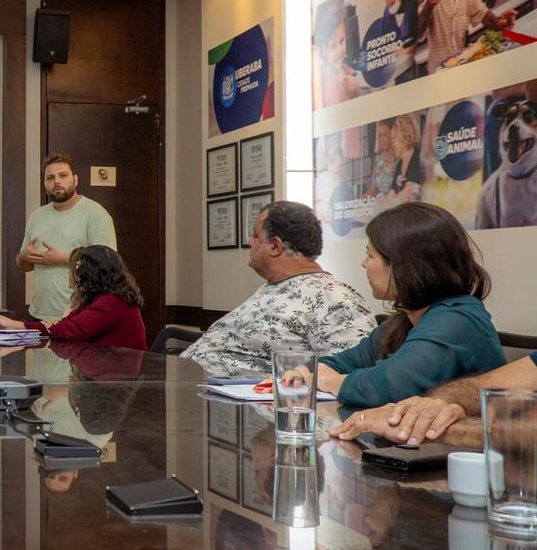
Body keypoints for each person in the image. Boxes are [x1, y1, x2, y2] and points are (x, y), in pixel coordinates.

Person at [316, 203, 504, 407]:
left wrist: (327, 380)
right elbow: (341, 363)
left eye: (370, 255)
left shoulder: (457, 319)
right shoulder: (406, 319)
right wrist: (317, 373)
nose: (364, 263)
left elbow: (386, 388)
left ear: (405, 265)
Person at [181, 201, 376, 376]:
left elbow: (351, 376)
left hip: (244, 400)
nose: (250, 242)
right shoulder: (273, 287)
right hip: (189, 385)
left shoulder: (337, 301)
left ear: (275, 247)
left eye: (256, 236)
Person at [331, 353, 537, 448]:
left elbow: (388, 382)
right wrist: (429, 409)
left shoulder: (455, 317)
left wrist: (427, 428)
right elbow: (480, 386)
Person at [16, 154, 116, 322]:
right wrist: (24, 256)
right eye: (50, 178)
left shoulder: (96, 214)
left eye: (63, 175)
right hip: (39, 314)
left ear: (75, 180)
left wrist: (62, 258)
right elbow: (24, 265)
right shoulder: (37, 216)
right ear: (45, 184)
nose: (56, 181)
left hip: (79, 313)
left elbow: (108, 264)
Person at [0, 245, 145, 349]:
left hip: (118, 379)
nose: (69, 274)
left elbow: (67, 330)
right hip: (107, 373)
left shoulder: (111, 302)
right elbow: (63, 326)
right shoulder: (97, 299)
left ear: (86, 275)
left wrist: (47, 327)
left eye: (72, 270)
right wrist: (13, 325)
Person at [312, 0, 360, 108]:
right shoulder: (323, 75)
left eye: (342, 41)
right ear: (323, 49)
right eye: (333, 46)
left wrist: (356, 87)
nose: (339, 51)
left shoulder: (347, 70)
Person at [378, 113, 422, 207]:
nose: (392, 143)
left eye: (395, 138)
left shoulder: (417, 157)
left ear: (405, 136)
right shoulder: (400, 163)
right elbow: (391, 193)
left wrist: (388, 205)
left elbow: (407, 192)